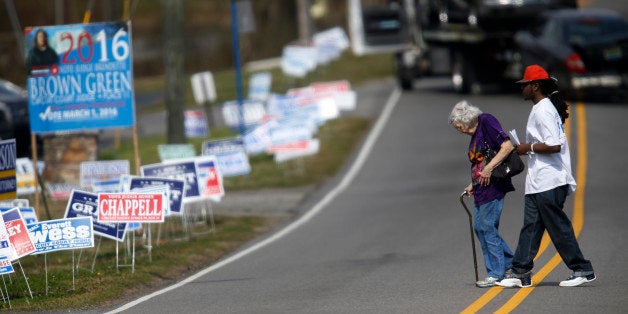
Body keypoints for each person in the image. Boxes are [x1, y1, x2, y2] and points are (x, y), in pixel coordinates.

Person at [497, 64, 595, 288]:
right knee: (530, 226)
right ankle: (520, 272)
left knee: (557, 226)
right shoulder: (541, 108)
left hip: (550, 180)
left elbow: (554, 145)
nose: (521, 89)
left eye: (524, 85)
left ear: (535, 86)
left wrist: (527, 147)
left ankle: (582, 269)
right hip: (538, 181)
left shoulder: (543, 110)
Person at [449, 100, 515, 288]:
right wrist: (473, 183)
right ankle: (510, 263)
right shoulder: (474, 134)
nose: (459, 129)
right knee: (480, 227)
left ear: (465, 118)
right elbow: (480, 163)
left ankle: (496, 273)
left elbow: (507, 146)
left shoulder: (486, 121)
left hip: (493, 185)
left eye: (458, 125)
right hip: (481, 187)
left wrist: (488, 170)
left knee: (487, 228)